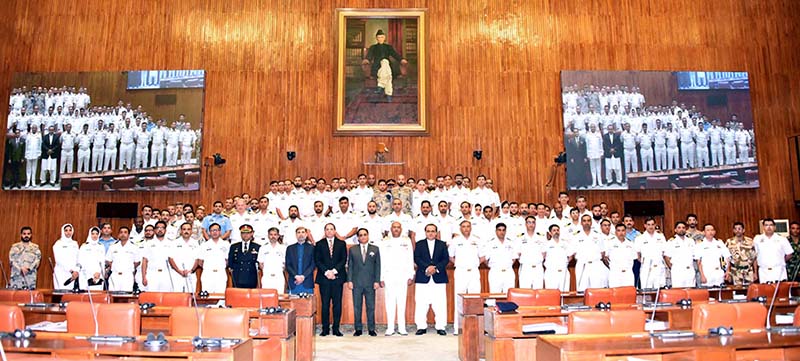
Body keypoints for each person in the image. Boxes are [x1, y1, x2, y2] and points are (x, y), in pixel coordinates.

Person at [413, 224, 449, 336]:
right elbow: (417, 258)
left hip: (439, 277)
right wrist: (427, 267)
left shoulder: (442, 244)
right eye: (428, 231)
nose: (430, 233)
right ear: (425, 232)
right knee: (421, 303)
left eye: (433, 231)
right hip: (423, 277)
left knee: (440, 303)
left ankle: (441, 326)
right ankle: (421, 326)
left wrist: (435, 268)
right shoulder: (419, 244)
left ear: (436, 233)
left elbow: (446, 259)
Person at [380, 221, 414, 336]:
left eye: (398, 227)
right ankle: (390, 327)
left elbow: (410, 258)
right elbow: (382, 259)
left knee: (401, 301)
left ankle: (402, 327)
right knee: (389, 302)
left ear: (401, 229)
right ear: (390, 228)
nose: (396, 229)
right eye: (394, 227)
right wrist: (382, 276)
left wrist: (411, 274)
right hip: (389, 274)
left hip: (402, 274)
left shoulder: (406, 241)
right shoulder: (385, 241)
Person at [314, 223, 347, 337]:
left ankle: (336, 328)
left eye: (331, 229)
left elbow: (343, 260)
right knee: (325, 304)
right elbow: (317, 260)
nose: (329, 231)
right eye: (327, 229)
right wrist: (327, 272)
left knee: (337, 304)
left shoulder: (342, 244)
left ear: (335, 231)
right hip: (324, 278)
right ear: (324, 231)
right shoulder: (319, 244)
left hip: (337, 278)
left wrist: (334, 271)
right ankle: (325, 328)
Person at [347, 228, 381, 337]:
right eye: (360, 235)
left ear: (368, 236)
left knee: (370, 306)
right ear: (358, 237)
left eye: (365, 234)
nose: (363, 237)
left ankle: (371, 328)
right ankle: (358, 329)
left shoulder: (375, 249)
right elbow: (350, 266)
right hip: (356, 283)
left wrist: (377, 281)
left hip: (370, 283)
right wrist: (349, 280)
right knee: (357, 307)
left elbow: (378, 266)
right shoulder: (353, 250)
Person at [753, 218, 794, 283]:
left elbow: (789, 254)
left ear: (775, 227)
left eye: (771, 225)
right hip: (764, 271)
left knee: (781, 291)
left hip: (779, 270)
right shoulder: (757, 239)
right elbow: (754, 255)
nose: (769, 227)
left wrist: (781, 260)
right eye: (766, 225)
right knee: (765, 292)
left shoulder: (782, 239)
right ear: (763, 227)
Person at [573, 215, 606, 291]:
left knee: (597, 288)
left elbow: (602, 252)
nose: (586, 222)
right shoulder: (576, 236)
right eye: (584, 221)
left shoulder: (598, 235)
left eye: (588, 220)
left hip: (596, 264)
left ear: (591, 223)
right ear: (581, 223)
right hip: (582, 265)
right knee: (582, 290)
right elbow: (572, 252)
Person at [482, 223, 518, 293]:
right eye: (499, 230)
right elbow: (485, 259)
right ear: (496, 231)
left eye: (503, 230)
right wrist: (490, 265)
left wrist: (508, 265)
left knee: (509, 295)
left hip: (508, 272)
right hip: (495, 272)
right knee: (494, 295)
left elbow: (514, 258)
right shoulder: (490, 243)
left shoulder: (511, 243)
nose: (502, 232)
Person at [141, 221, 174, 292]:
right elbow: (144, 261)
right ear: (155, 230)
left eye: (162, 228)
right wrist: (144, 277)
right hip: (152, 274)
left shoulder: (171, 243)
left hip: (166, 274)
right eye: (158, 228)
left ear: (165, 230)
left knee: (166, 298)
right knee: (151, 297)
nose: (160, 230)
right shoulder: (148, 243)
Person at [635, 218, 667, 289]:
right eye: (648, 225)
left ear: (655, 225)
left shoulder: (661, 237)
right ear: (645, 225)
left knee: (660, 289)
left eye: (652, 224)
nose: (651, 226)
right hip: (646, 268)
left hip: (659, 267)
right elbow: (637, 254)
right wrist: (644, 262)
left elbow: (664, 252)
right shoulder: (639, 238)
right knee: (646, 289)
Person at [198, 223, 230, 293]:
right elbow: (200, 262)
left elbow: (227, 260)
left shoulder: (226, 245)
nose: (214, 232)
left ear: (220, 231)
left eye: (216, 230)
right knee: (207, 297)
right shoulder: (204, 245)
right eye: (212, 230)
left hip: (220, 273)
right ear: (209, 232)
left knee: (221, 296)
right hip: (207, 273)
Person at [169, 223, 200, 292]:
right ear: (180, 231)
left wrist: (191, 270)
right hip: (177, 274)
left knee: (190, 297)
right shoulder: (174, 243)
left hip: (190, 274)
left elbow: (197, 259)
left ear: (191, 231)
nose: (186, 231)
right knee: (177, 297)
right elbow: (171, 259)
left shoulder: (196, 243)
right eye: (184, 229)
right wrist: (179, 271)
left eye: (188, 229)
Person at [664, 221, 696, 288]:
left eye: (683, 228)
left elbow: (694, 256)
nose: (681, 229)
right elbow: (666, 257)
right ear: (675, 230)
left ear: (686, 229)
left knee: (691, 291)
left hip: (689, 270)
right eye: (679, 228)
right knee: (678, 292)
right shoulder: (671, 242)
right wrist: (673, 268)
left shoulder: (691, 241)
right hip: (678, 271)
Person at [106, 227, 138, 292]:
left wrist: (128, 268)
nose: (123, 234)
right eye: (121, 232)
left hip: (127, 276)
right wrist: (115, 267)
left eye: (125, 232)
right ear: (118, 235)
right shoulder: (113, 247)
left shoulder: (134, 247)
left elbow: (137, 262)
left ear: (129, 235)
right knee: (112, 296)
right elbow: (108, 260)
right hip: (115, 275)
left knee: (126, 296)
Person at [227, 224, 260, 288]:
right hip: (237, 276)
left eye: (248, 233)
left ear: (252, 233)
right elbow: (230, 262)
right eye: (243, 233)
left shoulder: (257, 247)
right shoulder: (234, 247)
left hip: (251, 277)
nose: (245, 235)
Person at [605, 223, 637, 287]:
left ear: (626, 232)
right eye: (618, 230)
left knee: (628, 294)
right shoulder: (609, 243)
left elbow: (634, 258)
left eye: (623, 230)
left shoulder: (631, 244)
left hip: (628, 274)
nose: (621, 233)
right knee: (615, 294)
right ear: (615, 232)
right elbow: (605, 258)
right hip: (615, 274)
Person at [518, 216, 546, 289]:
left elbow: (544, 253)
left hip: (538, 267)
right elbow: (518, 254)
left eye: (533, 222)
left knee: (538, 292)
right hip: (525, 268)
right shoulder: (520, 238)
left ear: (535, 224)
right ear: (525, 224)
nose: (531, 224)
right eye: (529, 222)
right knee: (525, 292)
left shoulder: (541, 237)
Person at [257, 227, 287, 292]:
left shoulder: (283, 248)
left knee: (279, 297)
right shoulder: (263, 248)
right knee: (266, 297)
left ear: (278, 236)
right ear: (268, 236)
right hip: (267, 277)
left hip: (279, 277)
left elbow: (285, 264)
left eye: (275, 234)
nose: (273, 236)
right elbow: (261, 264)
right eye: (271, 234)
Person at [52, 224, 79, 290]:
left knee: (71, 295)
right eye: (66, 230)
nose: (68, 232)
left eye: (70, 230)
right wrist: (71, 270)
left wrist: (76, 271)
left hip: (73, 275)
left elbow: (78, 258)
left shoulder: (75, 243)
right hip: (61, 272)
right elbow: (58, 260)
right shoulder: (58, 243)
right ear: (62, 231)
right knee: (61, 293)